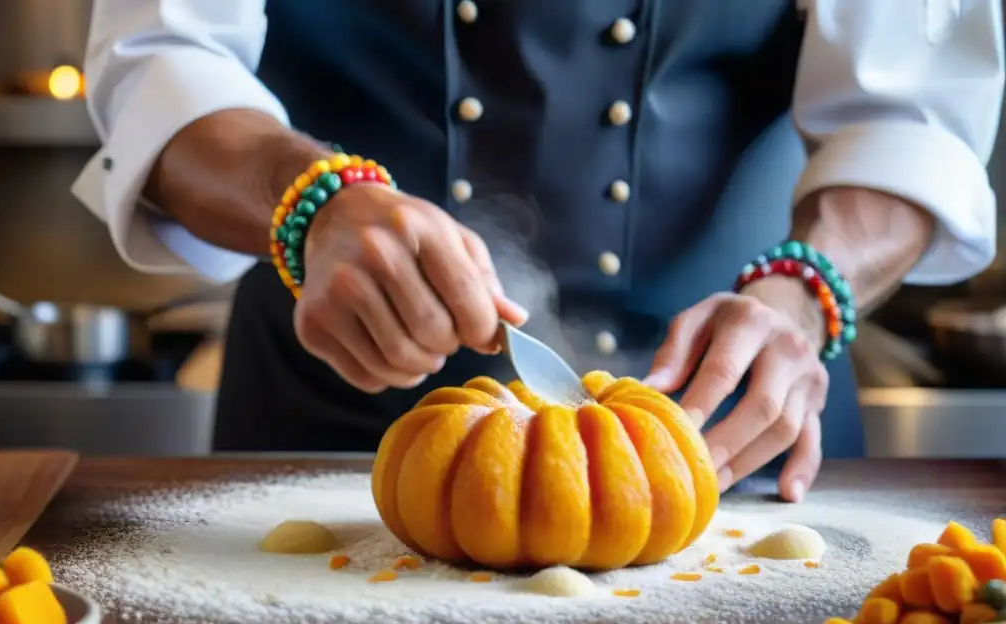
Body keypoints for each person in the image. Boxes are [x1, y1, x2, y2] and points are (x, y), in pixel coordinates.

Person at [72, 0, 1003, 502]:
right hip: (330, 463)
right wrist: (309, 201)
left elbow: (913, 114)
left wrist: (805, 291)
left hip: (737, 457)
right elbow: (157, 59)